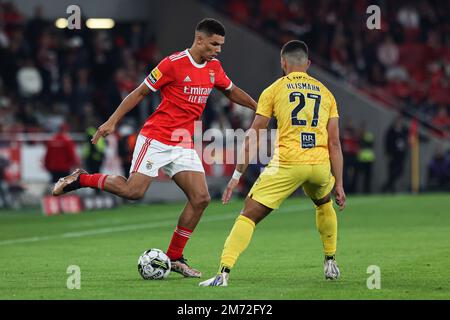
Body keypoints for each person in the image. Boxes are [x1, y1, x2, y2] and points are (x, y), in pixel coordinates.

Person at [52, 18, 257, 278]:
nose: (218, 50)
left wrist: (258, 106)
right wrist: (111, 121)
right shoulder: (172, 64)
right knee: (133, 191)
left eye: (221, 46)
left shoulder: (214, 67)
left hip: (183, 142)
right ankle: (82, 178)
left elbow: (231, 91)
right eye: (214, 44)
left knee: (201, 198)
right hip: (157, 137)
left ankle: (174, 257)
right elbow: (139, 93)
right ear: (200, 40)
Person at [200, 40, 346, 287]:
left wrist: (236, 177)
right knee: (323, 203)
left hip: (288, 163)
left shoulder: (274, 89)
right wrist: (339, 183)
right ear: (308, 64)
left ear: (283, 63)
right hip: (320, 165)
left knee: (248, 214)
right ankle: (330, 260)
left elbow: (254, 135)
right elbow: (334, 143)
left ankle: (223, 273)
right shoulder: (326, 92)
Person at [381, 116, 408, 193]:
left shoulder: (404, 131)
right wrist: (388, 153)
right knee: (391, 172)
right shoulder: (391, 131)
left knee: (399, 171)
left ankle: (386, 186)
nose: (399, 123)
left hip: (401, 156)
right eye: (398, 122)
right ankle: (391, 188)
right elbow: (387, 143)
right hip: (393, 156)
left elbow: (411, 135)